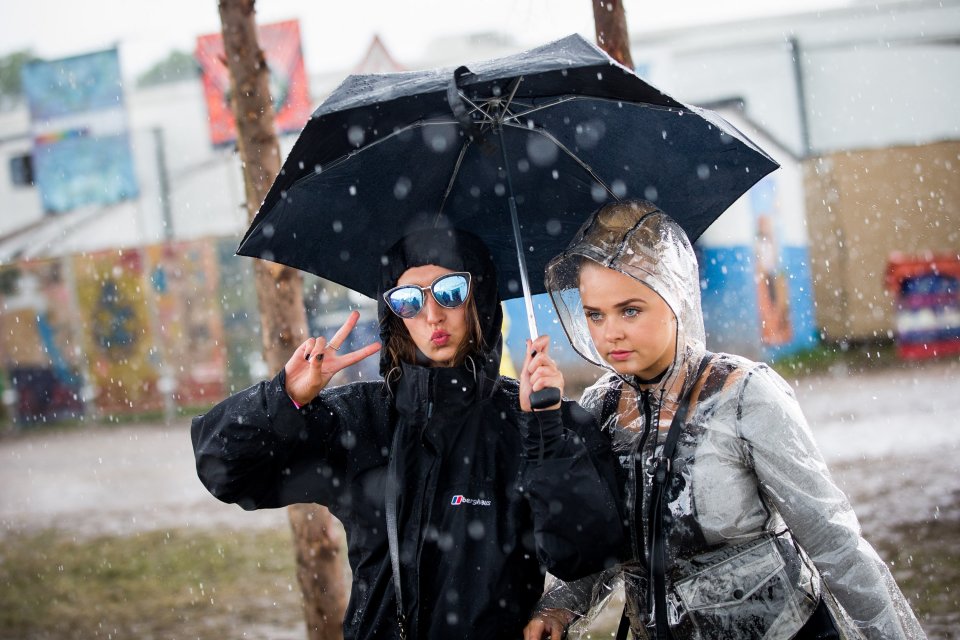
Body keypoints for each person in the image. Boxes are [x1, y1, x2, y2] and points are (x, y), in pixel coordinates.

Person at [191, 228, 622, 640]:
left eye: (450, 291)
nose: (431, 314)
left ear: (481, 297)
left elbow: (585, 550)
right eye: (408, 300)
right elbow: (224, 469)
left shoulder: (530, 417)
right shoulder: (361, 420)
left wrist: (544, 428)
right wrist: (284, 398)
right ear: (393, 313)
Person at [523, 201, 926, 640]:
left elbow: (832, 541)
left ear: (675, 296)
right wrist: (558, 607)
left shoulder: (743, 393)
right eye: (594, 314)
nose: (610, 332)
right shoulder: (599, 408)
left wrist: (888, 634)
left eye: (630, 310)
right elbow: (597, 541)